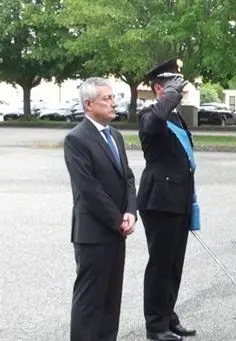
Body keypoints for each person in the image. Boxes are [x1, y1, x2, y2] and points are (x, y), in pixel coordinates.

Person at [63, 77, 137, 341]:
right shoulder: (76, 140)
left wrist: (130, 211)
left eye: (113, 97)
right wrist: (117, 219)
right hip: (93, 234)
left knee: (110, 300)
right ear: (88, 104)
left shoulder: (115, 135)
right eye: (107, 98)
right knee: (90, 302)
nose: (113, 103)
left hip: (118, 230)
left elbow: (127, 177)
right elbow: (89, 189)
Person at [137, 57, 197, 341]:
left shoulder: (175, 116)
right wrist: (170, 95)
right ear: (159, 89)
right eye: (172, 87)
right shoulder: (150, 114)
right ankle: (155, 326)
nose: (179, 92)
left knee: (174, 264)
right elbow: (153, 125)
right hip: (159, 201)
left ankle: (168, 316)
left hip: (178, 200)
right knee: (160, 265)